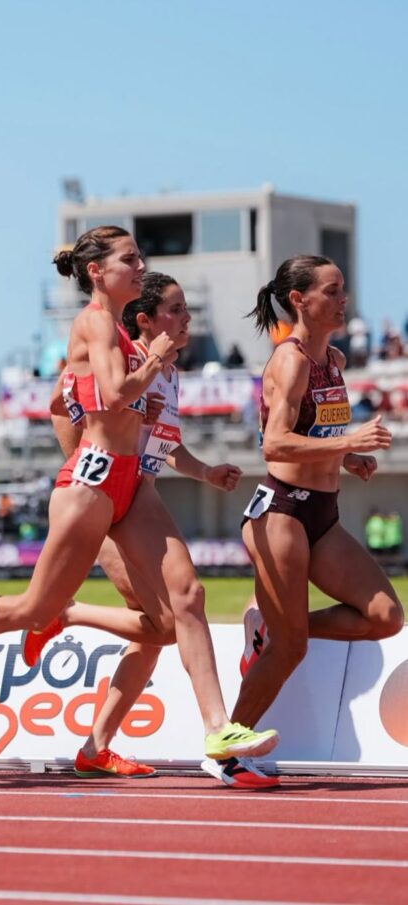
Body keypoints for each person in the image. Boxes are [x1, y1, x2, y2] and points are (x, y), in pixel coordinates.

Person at [0, 227, 278, 767]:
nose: (140, 265)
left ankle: (218, 729)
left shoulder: (122, 334)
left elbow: (140, 418)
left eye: (140, 257)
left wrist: (202, 469)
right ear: (97, 271)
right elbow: (115, 395)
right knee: (34, 607)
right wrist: (152, 360)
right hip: (91, 485)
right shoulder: (93, 323)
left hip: (133, 487)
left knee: (187, 597)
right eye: (129, 258)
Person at [25, 272, 279, 787]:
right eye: (177, 310)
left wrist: (204, 471)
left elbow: (164, 444)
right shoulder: (118, 354)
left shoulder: (167, 371)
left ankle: (102, 746)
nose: (188, 320)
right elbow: (60, 406)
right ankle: (64, 615)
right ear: (146, 319)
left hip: (139, 497)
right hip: (104, 502)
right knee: (168, 618)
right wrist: (85, 473)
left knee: (169, 617)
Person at [234, 256, 403, 781]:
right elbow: (274, 443)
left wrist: (345, 456)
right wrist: (351, 440)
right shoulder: (291, 360)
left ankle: (267, 627)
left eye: (344, 289)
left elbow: (317, 433)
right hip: (280, 511)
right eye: (332, 291)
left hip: (322, 516)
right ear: (300, 300)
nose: (343, 298)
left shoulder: (332, 359)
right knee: (290, 648)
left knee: (385, 617)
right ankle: (229, 746)